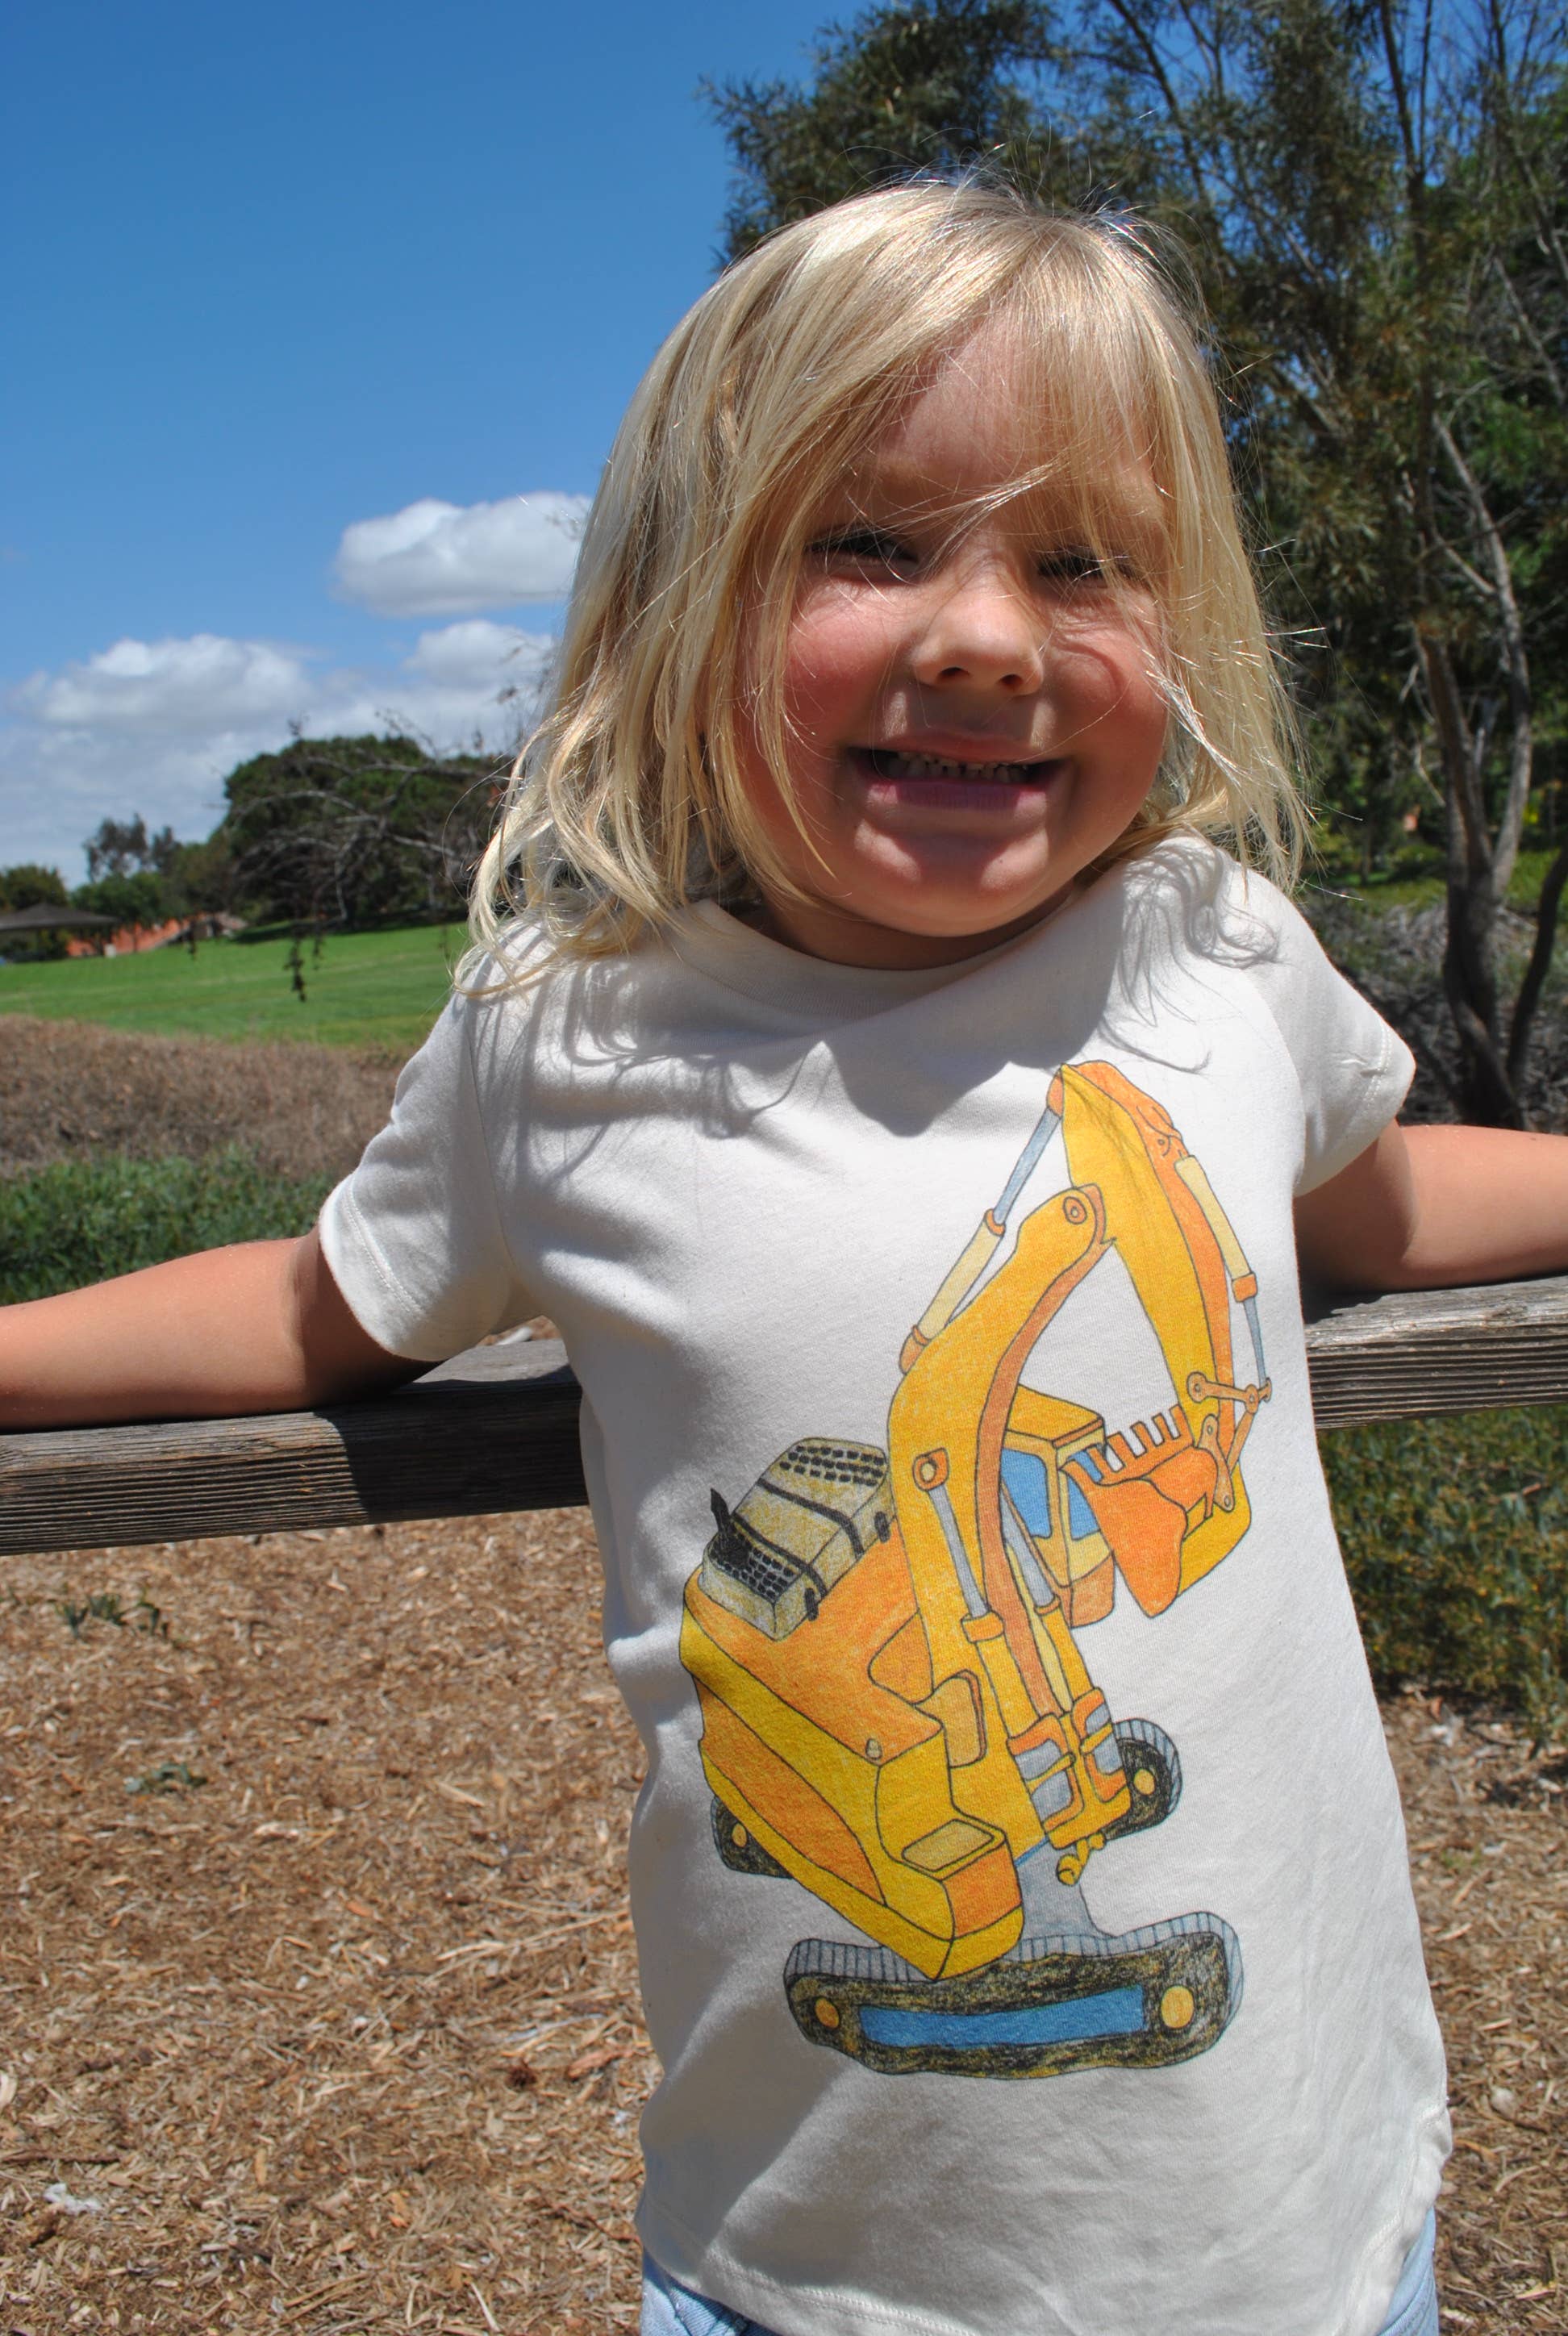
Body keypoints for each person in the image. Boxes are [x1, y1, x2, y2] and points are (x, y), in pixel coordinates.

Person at [5, 181, 1566, 2336]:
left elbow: (1378, 1209)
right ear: (678, 609)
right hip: (813, 2273)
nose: (992, 634)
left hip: (1312, 2237)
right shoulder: (568, 1041)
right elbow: (306, 1306)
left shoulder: (1212, 963)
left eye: (1084, 562)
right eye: (870, 541)